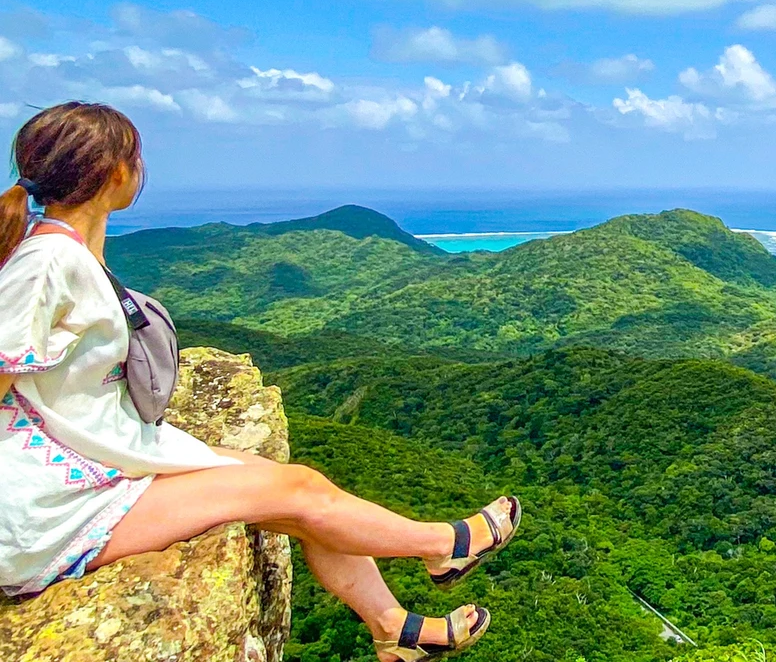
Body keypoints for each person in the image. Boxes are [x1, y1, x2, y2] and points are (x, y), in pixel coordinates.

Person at [0, 102, 519, 661]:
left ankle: (393, 628)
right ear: (115, 173)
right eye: (137, 157)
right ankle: (441, 545)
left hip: (103, 460)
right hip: (51, 510)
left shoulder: (69, 250)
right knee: (296, 491)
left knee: (291, 488)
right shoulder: (47, 261)